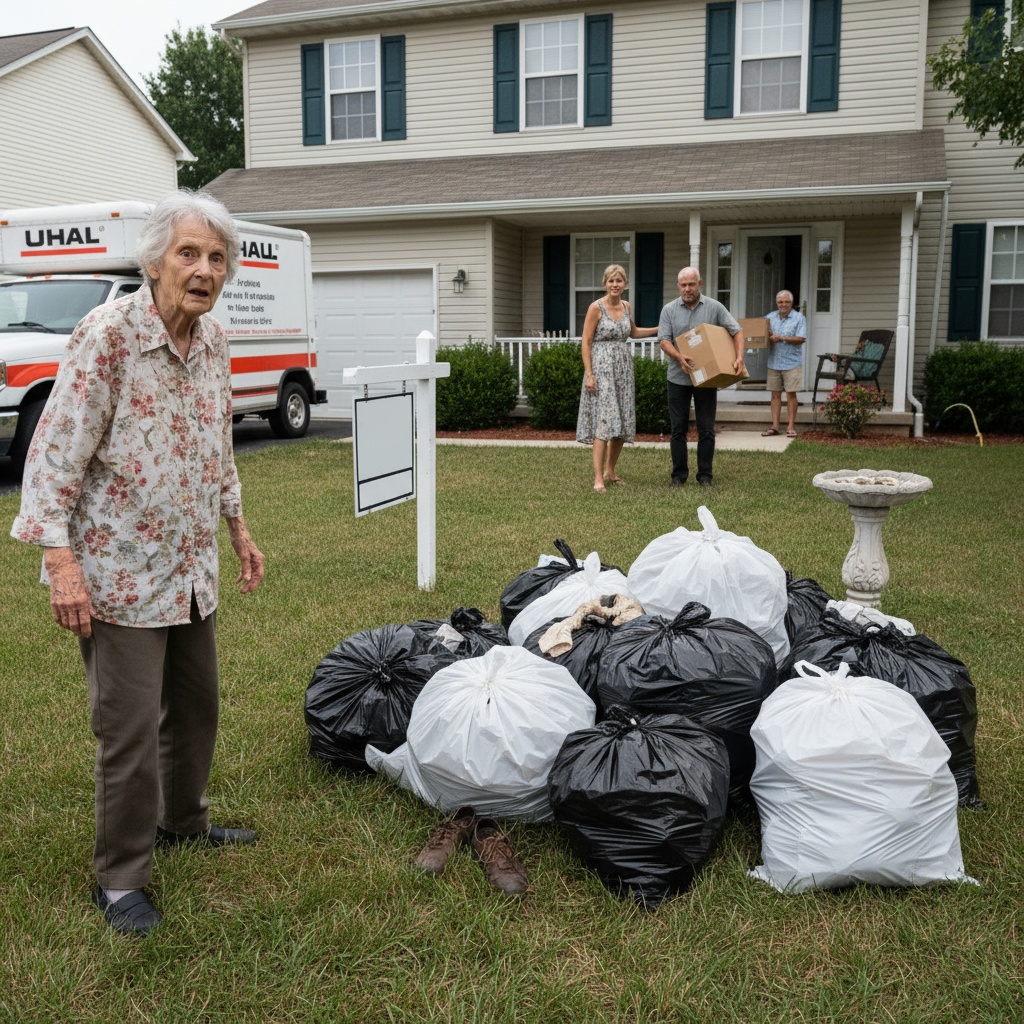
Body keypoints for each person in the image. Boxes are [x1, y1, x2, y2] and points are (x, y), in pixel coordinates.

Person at [10, 189, 265, 938]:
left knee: (195, 706)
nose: (204, 269)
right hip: (118, 573)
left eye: (217, 257)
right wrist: (60, 561)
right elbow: (54, 454)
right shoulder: (108, 335)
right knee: (126, 728)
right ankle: (120, 878)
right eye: (189, 253)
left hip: (189, 566)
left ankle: (183, 821)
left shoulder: (213, 342)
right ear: (154, 261)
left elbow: (218, 446)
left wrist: (239, 529)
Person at [658, 268, 745, 488]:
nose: (687, 289)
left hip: (707, 379)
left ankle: (705, 476)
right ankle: (679, 475)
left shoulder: (715, 307)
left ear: (700, 283)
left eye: (691, 284)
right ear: (678, 286)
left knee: (706, 429)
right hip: (678, 377)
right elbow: (664, 340)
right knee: (678, 428)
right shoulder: (669, 310)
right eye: (683, 285)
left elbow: (737, 331)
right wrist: (678, 356)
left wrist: (739, 357)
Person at [575, 264, 658, 492]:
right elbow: (586, 341)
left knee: (621, 419)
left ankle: (610, 471)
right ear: (605, 283)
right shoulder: (596, 307)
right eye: (611, 281)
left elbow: (633, 332)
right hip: (601, 369)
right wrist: (589, 374)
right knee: (604, 421)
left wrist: (660, 329)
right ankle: (598, 478)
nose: (615, 285)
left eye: (619, 281)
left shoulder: (626, 306)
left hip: (623, 369)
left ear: (625, 284)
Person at [760, 289, 807, 439]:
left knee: (791, 395)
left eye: (786, 302)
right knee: (775, 395)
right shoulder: (769, 317)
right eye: (780, 302)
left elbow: (801, 338)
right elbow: (760, 331)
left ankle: (791, 427)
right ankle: (775, 427)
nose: (783, 305)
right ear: (776, 303)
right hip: (774, 362)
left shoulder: (799, 318)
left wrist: (783, 338)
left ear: (791, 303)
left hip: (792, 363)